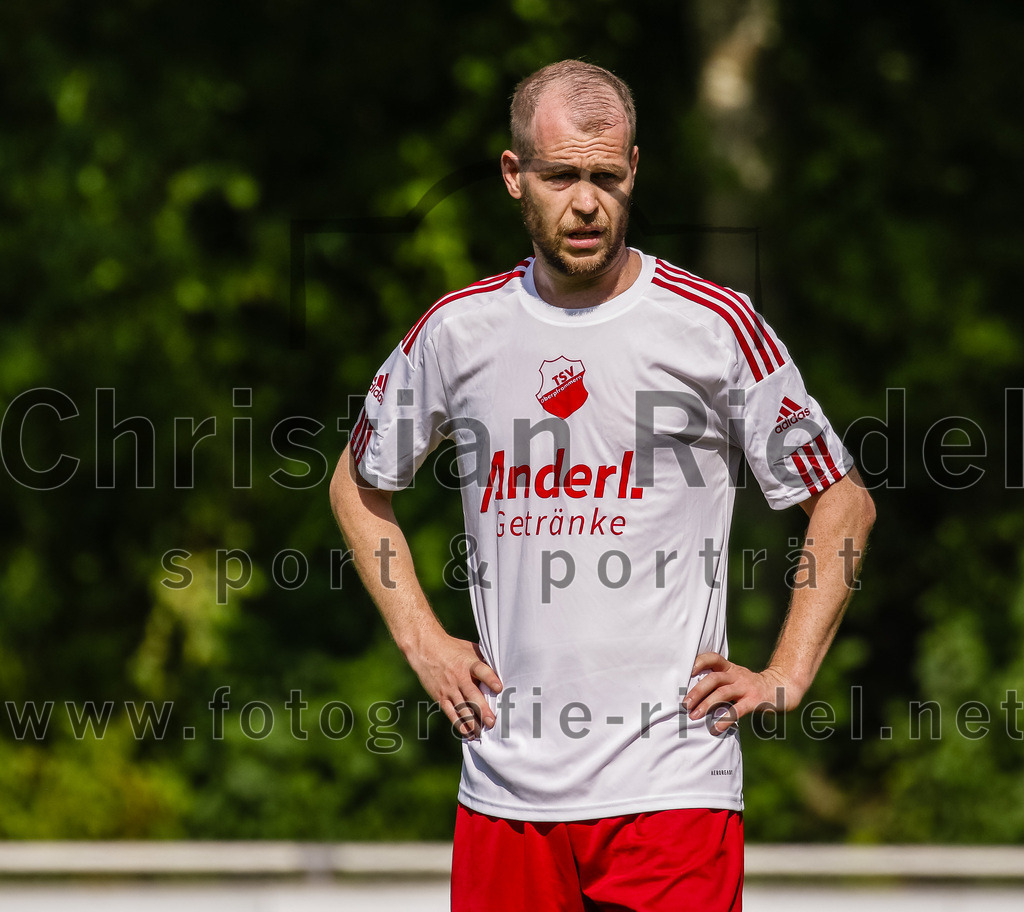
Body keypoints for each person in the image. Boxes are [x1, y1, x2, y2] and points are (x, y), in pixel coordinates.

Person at [330, 59, 875, 912]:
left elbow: (842, 500)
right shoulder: (456, 332)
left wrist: (786, 673)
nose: (585, 202)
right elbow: (358, 487)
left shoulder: (712, 326)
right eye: (560, 176)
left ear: (633, 174)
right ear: (516, 177)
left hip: (673, 793)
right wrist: (424, 642)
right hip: (506, 793)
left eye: (605, 177)